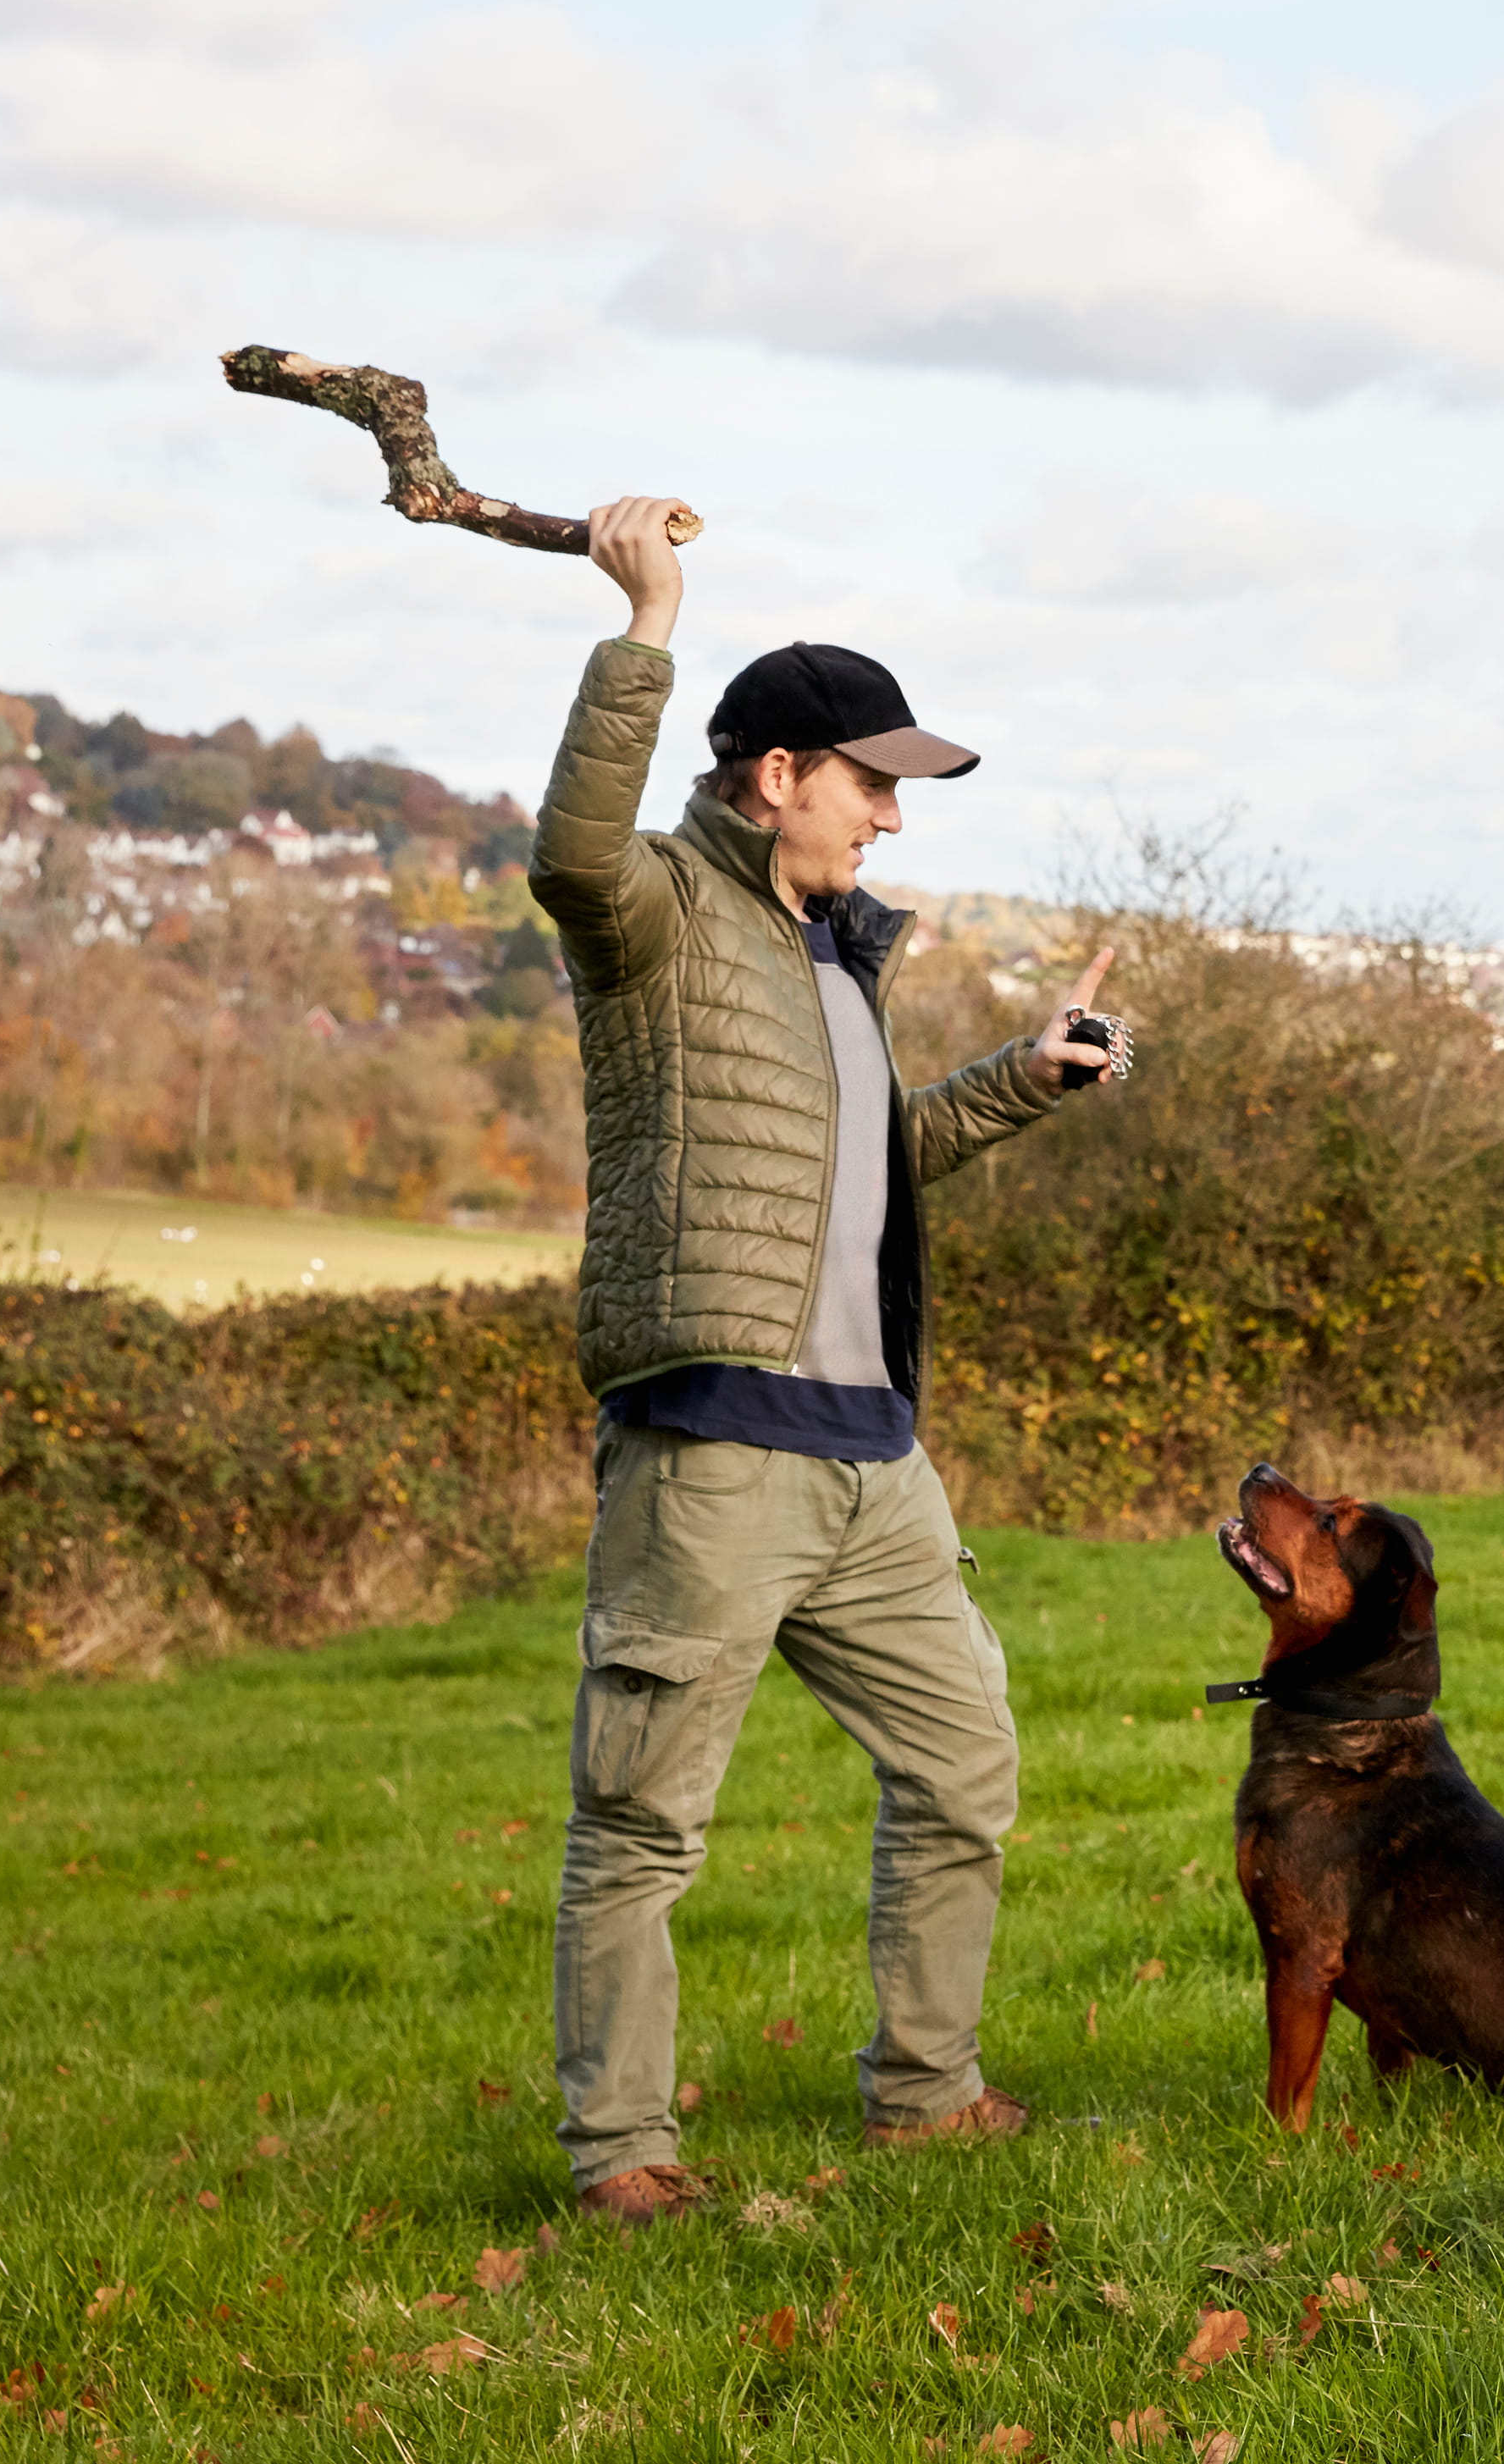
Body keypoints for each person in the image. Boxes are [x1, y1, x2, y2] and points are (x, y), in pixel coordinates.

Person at [532, 494, 1114, 2224]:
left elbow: (865, 1169)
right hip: (714, 1452)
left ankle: (923, 2093)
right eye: (871, 778)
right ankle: (621, 2152)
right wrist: (644, 627)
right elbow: (572, 848)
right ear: (774, 773)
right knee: (643, 1821)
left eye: (900, 786)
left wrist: (1026, 1075)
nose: (889, 809)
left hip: (873, 1460)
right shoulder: (655, 919)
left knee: (965, 1767)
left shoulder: (833, 962)